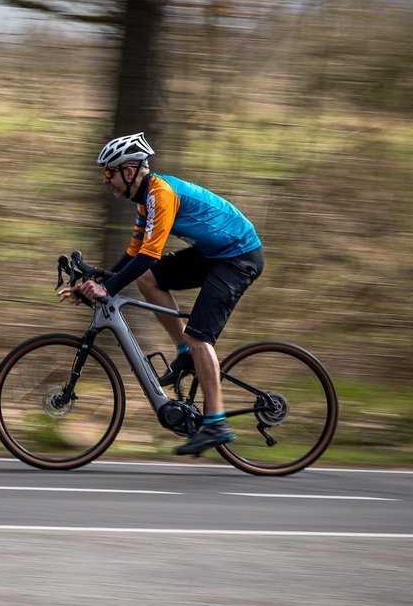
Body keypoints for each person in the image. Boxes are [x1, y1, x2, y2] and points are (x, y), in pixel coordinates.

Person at [60, 132, 264, 455]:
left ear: (129, 171)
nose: (105, 181)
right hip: (215, 253)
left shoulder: (160, 194)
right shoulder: (145, 202)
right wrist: (94, 279)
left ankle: (216, 422)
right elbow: (134, 255)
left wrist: (107, 287)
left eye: (108, 173)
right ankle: (184, 350)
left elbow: (150, 254)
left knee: (202, 339)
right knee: (148, 280)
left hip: (238, 257)